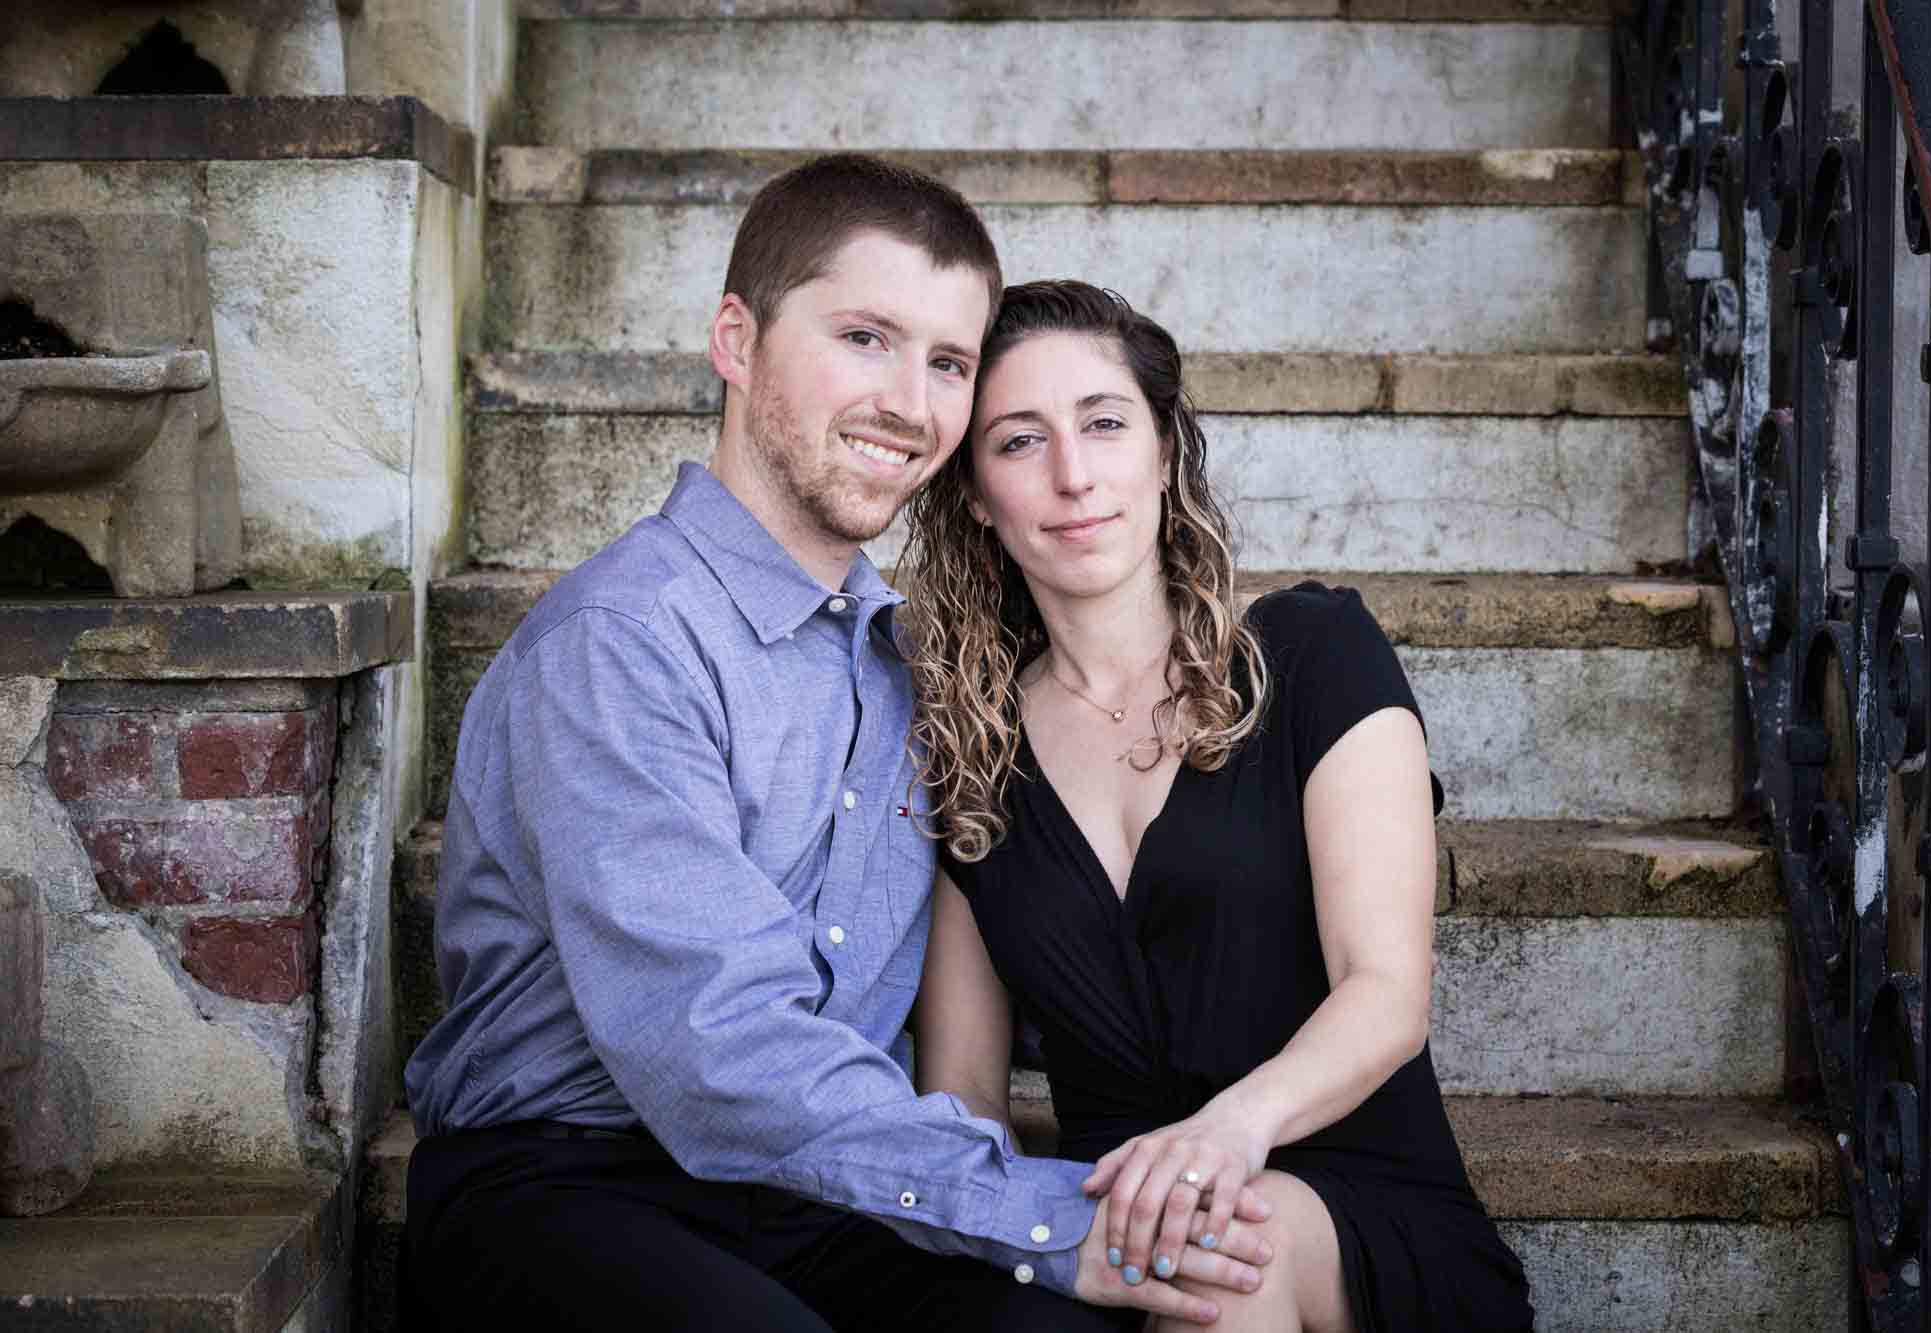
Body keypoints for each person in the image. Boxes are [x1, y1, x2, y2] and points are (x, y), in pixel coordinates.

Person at [397, 157, 1272, 1332]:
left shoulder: (921, 669)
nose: (911, 404)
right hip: (569, 1181)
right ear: (734, 339)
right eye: (865, 337)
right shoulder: (621, 644)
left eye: (949, 363)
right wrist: (1045, 1217)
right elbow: (715, 1047)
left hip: (822, 1197)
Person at [897, 280, 1536, 1332]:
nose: (1071, 475)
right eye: (1017, 442)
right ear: (972, 491)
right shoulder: (969, 755)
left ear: (1159, 451)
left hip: (1355, 1217)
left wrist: (1227, 1132)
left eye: (1103, 424)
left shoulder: (1313, 655)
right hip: (1112, 1232)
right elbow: (963, 1096)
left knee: (1229, 1254)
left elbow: (1385, 994)